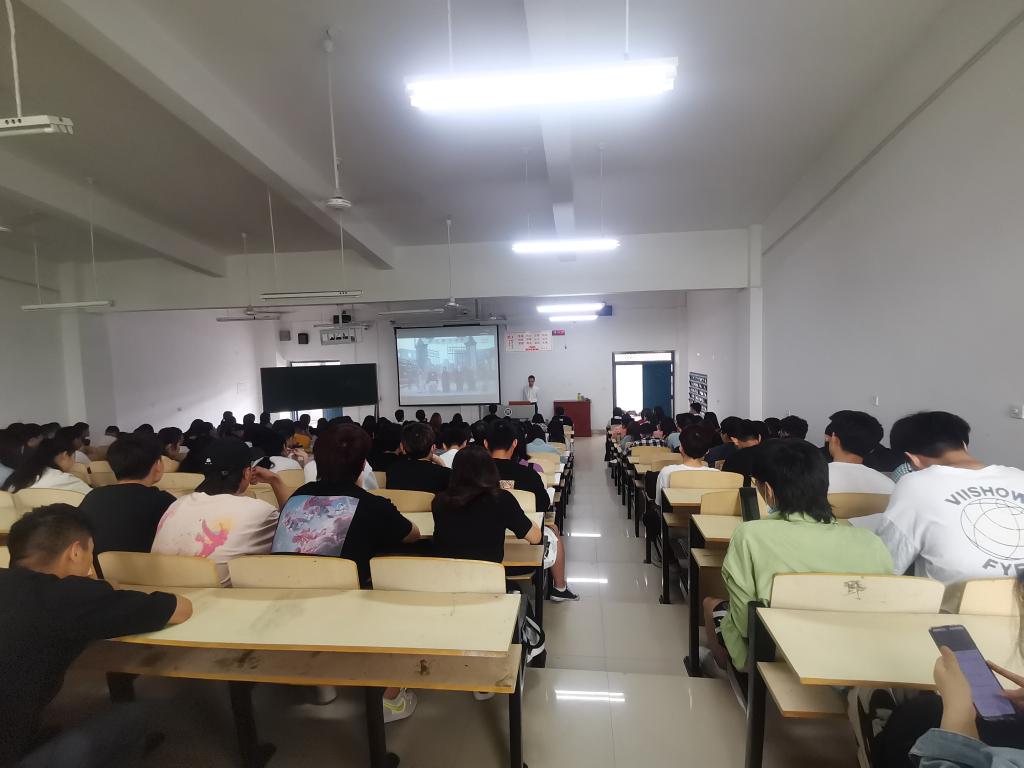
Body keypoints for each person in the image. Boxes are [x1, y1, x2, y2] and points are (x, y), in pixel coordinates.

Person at [0, 504, 192, 767]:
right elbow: (180, 608)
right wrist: (94, 589)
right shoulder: (68, 599)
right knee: (134, 716)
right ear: (75, 551)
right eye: (90, 554)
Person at [702, 439, 893, 673]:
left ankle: (722, 673)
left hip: (775, 657)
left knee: (711, 604)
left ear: (768, 490)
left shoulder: (750, 535)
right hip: (857, 657)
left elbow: (744, 625)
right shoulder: (870, 542)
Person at [271, 424, 419, 723]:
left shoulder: (298, 497)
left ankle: (320, 680)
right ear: (363, 465)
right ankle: (390, 697)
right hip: (345, 611)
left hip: (286, 606)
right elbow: (412, 534)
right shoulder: (372, 505)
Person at [861, 412, 1024, 596]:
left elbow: (886, 564)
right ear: (964, 445)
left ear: (912, 459)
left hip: (955, 610)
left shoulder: (917, 483)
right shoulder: (1019, 477)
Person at [150, 438, 288, 585]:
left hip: (162, 592)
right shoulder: (259, 511)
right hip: (215, 596)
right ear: (247, 473)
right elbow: (293, 532)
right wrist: (276, 481)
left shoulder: (177, 504)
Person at [484, 421, 578, 602]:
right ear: (515, 443)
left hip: (481, 551)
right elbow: (544, 506)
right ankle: (559, 587)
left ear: (486, 444)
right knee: (553, 530)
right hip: (526, 547)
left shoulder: (474, 476)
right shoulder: (529, 474)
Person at [432, 445, 542, 563]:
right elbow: (535, 538)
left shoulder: (440, 501)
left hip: (446, 573)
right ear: (490, 470)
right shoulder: (501, 500)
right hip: (489, 574)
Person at [77, 434, 176, 563]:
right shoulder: (168, 503)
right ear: (158, 465)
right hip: (151, 573)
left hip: (99, 572)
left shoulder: (92, 497)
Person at [826, 411, 897, 495]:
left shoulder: (817, 477)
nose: (827, 439)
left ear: (835, 439)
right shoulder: (889, 485)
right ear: (872, 448)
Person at [2, 436, 92, 495]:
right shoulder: (64, 480)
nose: (74, 461)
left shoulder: (17, 477)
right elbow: (94, 498)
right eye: (73, 456)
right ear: (64, 455)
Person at [655, 424, 721, 503]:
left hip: (677, 511)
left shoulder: (667, 472)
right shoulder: (718, 475)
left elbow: (660, 503)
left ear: (681, 448)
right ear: (707, 451)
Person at [386, 422, 452, 493]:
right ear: (433, 448)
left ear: (402, 447)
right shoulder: (445, 474)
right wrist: (441, 463)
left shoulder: (393, 470)